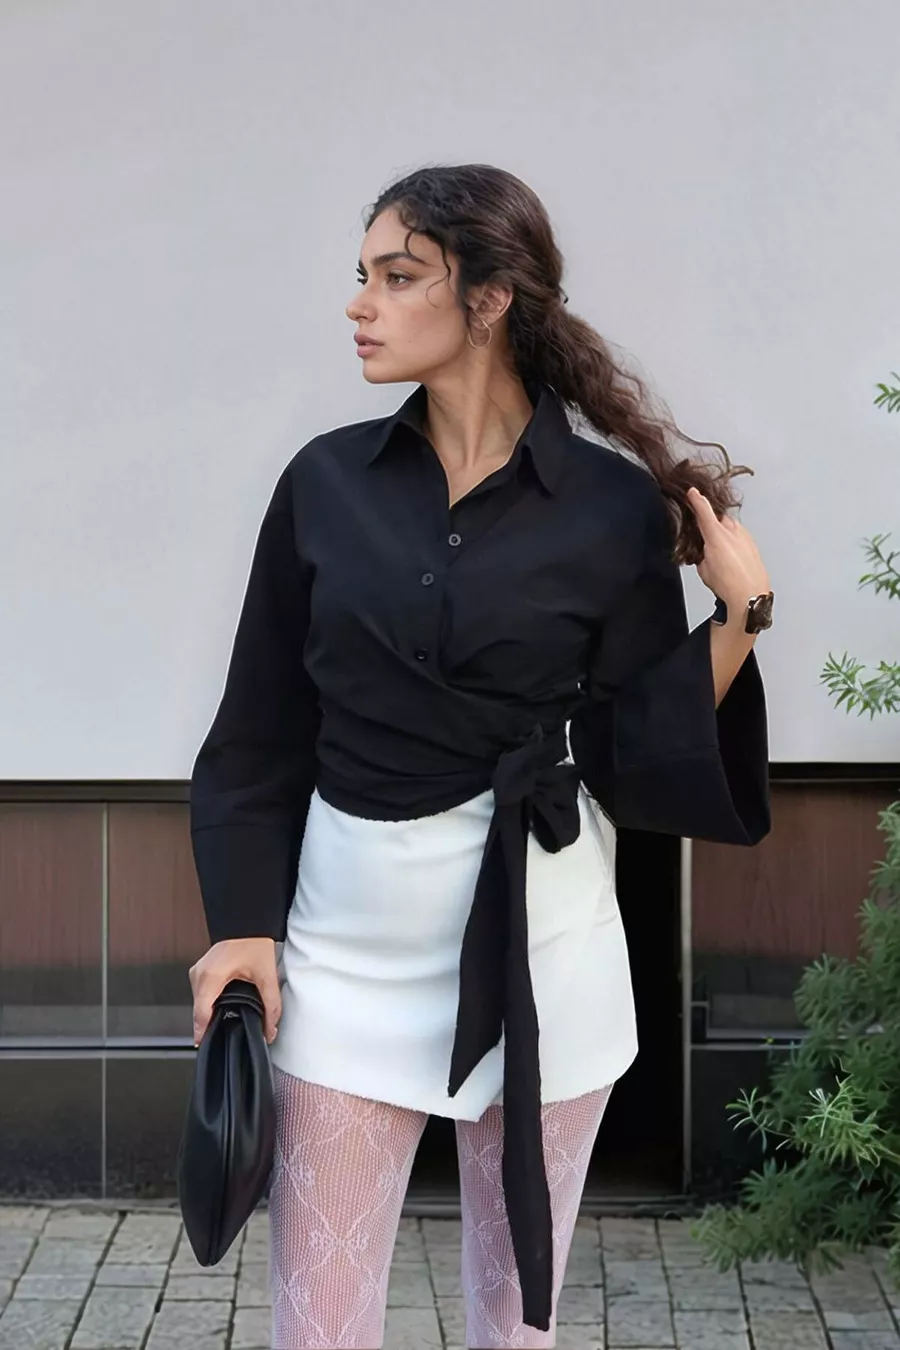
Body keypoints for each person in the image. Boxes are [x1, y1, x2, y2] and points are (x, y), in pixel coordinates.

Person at [187, 163, 773, 1350]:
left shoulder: (610, 509)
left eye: (399, 277)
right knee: (318, 1327)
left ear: (490, 298)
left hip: (544, 957)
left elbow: (630, 756)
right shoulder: (322, 485)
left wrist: (739, 622)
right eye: (363, 275)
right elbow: (258, 730)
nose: (361, 303)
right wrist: (242, 927)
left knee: (516, 1327)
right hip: (345, 958)